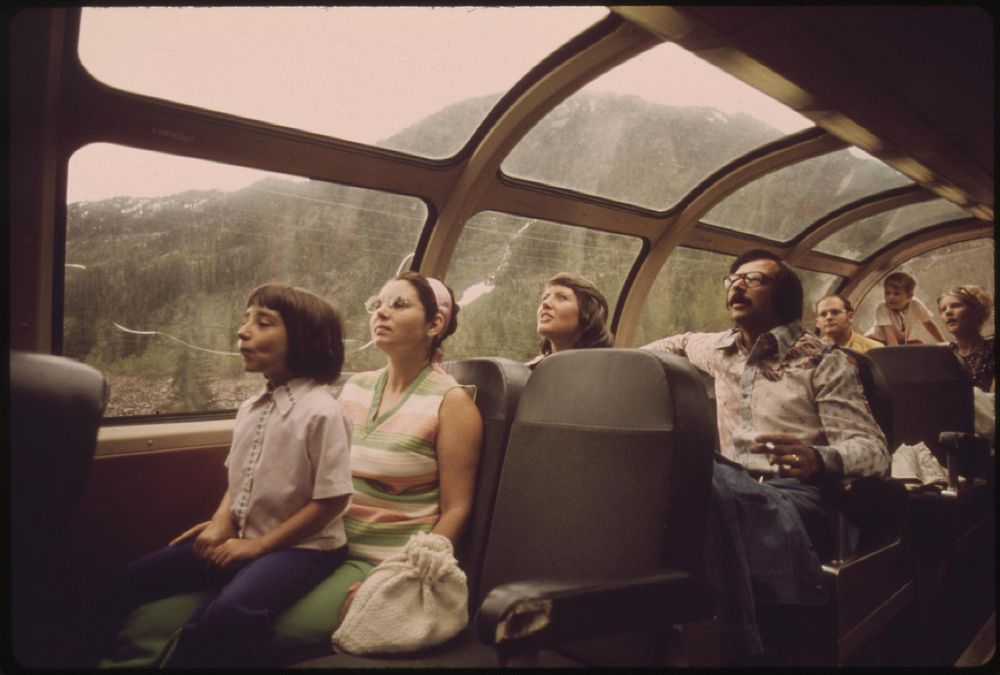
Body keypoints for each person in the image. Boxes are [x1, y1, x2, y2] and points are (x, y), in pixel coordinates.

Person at [643, 249, 889, 663]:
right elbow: (679, 342)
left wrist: (818, 458)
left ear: (785, 295)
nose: (738, 285)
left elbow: (874, 451)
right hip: (727, 483)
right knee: (675, 474)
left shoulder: (825, 362)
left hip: (797, 494)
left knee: (700, 481)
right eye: (734, 279)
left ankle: (739, 647)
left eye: (755, 280)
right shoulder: (716, 349)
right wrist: (611, 362)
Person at [100, 284, 354, 668]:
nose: (243, 330)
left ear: (305, 339)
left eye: (263, 322)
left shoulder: (322, 412)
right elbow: (240, 479)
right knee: (130, 580)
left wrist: (258, 547)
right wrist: (222, 521)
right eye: (245, 319)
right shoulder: (251, 408)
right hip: (246, 533)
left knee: (230, 613)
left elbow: (332, 501)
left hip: (306, 549)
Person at [332, 272, 483, 619]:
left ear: (434, 325)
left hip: (381, 564)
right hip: (320, 547)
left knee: (245, 627)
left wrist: (395, 576)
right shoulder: (356, 388)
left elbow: (456, 511)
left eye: (399, 305)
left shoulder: (452, 403)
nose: (381, 312)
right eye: (378, 304)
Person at [527, 272, 614, 368]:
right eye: (545, 298)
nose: (545, 303)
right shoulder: (528, 374)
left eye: (562, 298)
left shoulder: (609, 371)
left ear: (588, 313)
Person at [938, 285, 995, 393]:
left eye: (956, 305)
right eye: (943, 309)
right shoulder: (945, 355)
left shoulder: (993, 348)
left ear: (977, 311)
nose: (948, 312)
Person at [866, 271, 946, 345]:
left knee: (918, 343)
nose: (890, 297)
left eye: (896, 294)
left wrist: (944, 343)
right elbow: (891, 340)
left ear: (909, 296)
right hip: (875, 341)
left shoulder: (915, 304)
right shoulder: (883, 307)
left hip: (897, 342)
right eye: (887, 293)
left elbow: (930, 325)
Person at [815, 294, 882, 353]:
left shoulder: (874, 349)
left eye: (835, 312)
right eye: (823, 314)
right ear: (817, 323)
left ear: (850, 317)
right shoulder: (812, 352)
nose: (828, 317)